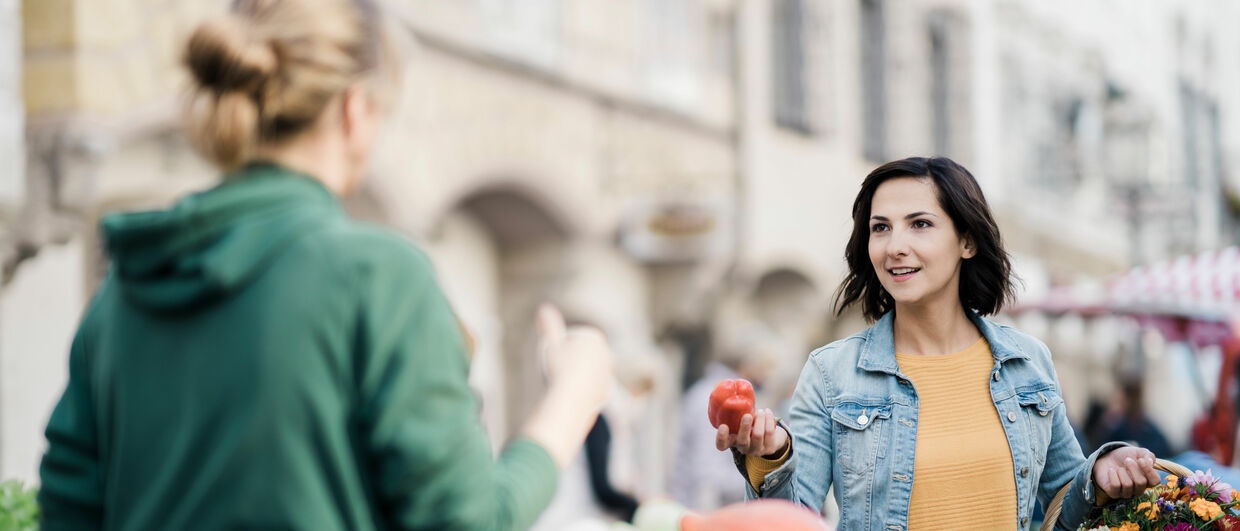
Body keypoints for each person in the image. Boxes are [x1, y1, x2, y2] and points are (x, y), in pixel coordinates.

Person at [36, 1, 613, 529]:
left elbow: (66, 515)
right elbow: (467, 521)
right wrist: (572, 397)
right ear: (355, 108)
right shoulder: (376, 278)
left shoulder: (122, 297)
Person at [715, 157, 1160, 530]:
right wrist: (770, 458)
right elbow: (794, 520)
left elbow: (1065, 503)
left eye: (920, 224)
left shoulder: (1028, 361)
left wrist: (1102, 471)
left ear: (966, 240)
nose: (895, 246)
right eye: (881, 228)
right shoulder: (833, 373)